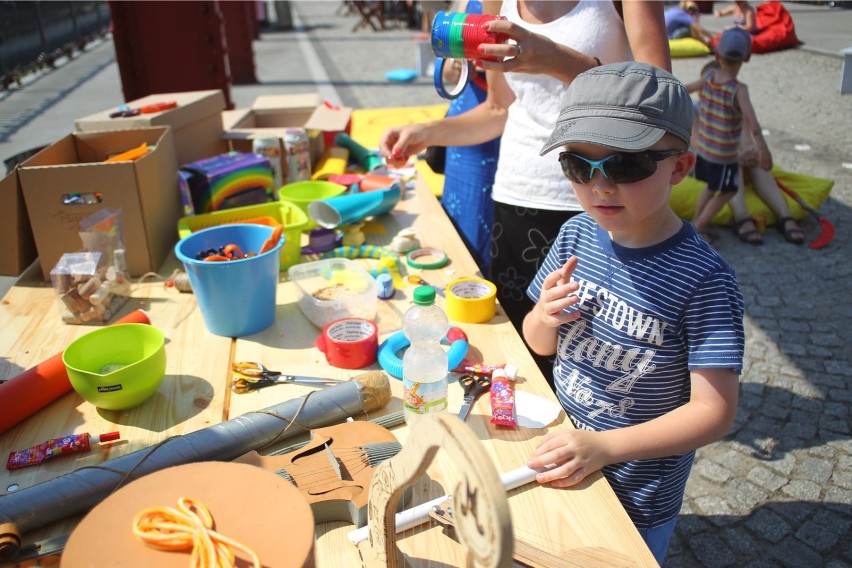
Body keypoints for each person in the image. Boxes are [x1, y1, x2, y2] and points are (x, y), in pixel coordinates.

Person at [380, 0, 670, 384]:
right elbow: (498, 110)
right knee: (520, 347)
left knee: (600, 357)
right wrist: (426, 132)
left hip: (599, 195)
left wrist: (558, 60)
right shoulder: (500, 3)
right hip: (516, 197)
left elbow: (662, 97)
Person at [523, 61, 744, 565]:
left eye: (626, 166)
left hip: (640, 487)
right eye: (579, 165)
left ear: (680, 168)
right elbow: (538, 341)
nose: (601, 187)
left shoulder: (703, 279)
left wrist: (603, 448)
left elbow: (714, 413)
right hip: (564, 450)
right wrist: (545, 316)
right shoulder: (575, 236)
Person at [687, 26, 768, 244]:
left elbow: (687, 88)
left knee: (711, 187)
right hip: (723, 156)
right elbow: (752, 122)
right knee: (728, 191)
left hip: (705, 153)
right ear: (747, 57)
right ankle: (698, 227)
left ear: (717, 55)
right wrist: (764, 151)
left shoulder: (710, 76)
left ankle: (696, 223)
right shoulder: (738, 89)